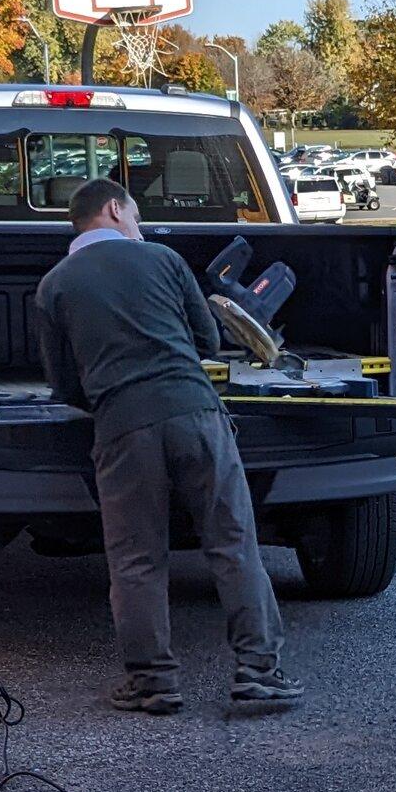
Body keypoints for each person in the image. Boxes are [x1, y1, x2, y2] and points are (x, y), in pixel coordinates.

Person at [34, 174, 301, 717]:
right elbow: (207, 340)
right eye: (133, 215)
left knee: (136, 559)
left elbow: (62, 383)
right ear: (114, 209)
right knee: (233, 544)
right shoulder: (161, 259)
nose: (138, 226)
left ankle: (153, 682)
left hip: (122, 429)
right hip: (196, 415)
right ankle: (259, 675)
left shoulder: (54, 285)